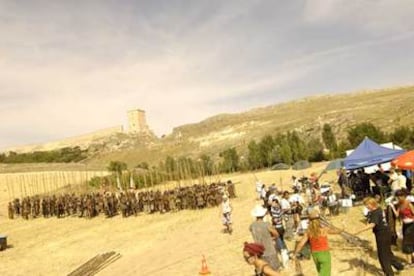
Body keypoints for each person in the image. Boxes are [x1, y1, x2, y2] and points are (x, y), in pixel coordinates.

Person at [354, 197, 404, 275]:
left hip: (381, 235)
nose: (366, 207)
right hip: (387, 232)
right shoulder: (379, 209)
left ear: (371, 204)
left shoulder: (375, 213)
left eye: (367, 205)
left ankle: (389, 273)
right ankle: (399, 266)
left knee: (383, 256)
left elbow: (373, 224)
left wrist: (360, 230)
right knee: (387, 252)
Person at [292, 209, 342, 276]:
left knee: (320, 272)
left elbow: (301, 244)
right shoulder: (324, 229)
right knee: (325, 273)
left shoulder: (308, 232)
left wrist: (295, 254)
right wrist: (343, 227)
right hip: (324, 253)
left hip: (315, 254)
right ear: (319, 220)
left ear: (309, 220)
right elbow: (337, 231)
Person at [249, 205, 281, 271]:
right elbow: (276, 234)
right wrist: (272, 238)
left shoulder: (252, 226)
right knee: (274, 271)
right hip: (269, 250)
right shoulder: (267, 224)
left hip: (259, 252)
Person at [390, 189, 414, 266]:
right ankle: (411, 259)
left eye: (401, 196)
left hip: (411, 224)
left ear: (404, 196)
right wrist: (392, 207)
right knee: (407, 241)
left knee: (407, 242)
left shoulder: (409, 204)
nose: (399, 198)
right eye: (398, 197)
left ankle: (409, 261)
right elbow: (397, 215)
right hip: (405, 225)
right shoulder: (399, 204)